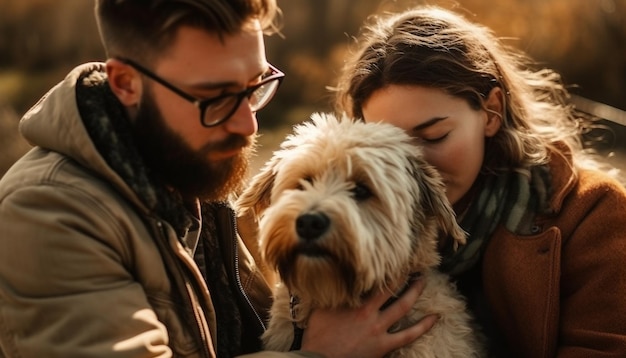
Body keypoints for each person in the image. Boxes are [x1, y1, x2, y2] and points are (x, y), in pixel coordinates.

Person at [0, 1, 436, 357]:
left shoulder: (194, 169)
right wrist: (318, 355)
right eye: (215, 96)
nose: (248, 124)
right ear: (126, 83)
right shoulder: (46, 214)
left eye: (254, 86)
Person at [333, 5, 626, 357]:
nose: (410, 167)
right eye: (386, 145)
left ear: (491, 112)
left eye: (434, 136)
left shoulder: (594, 214)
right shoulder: (343, 227)